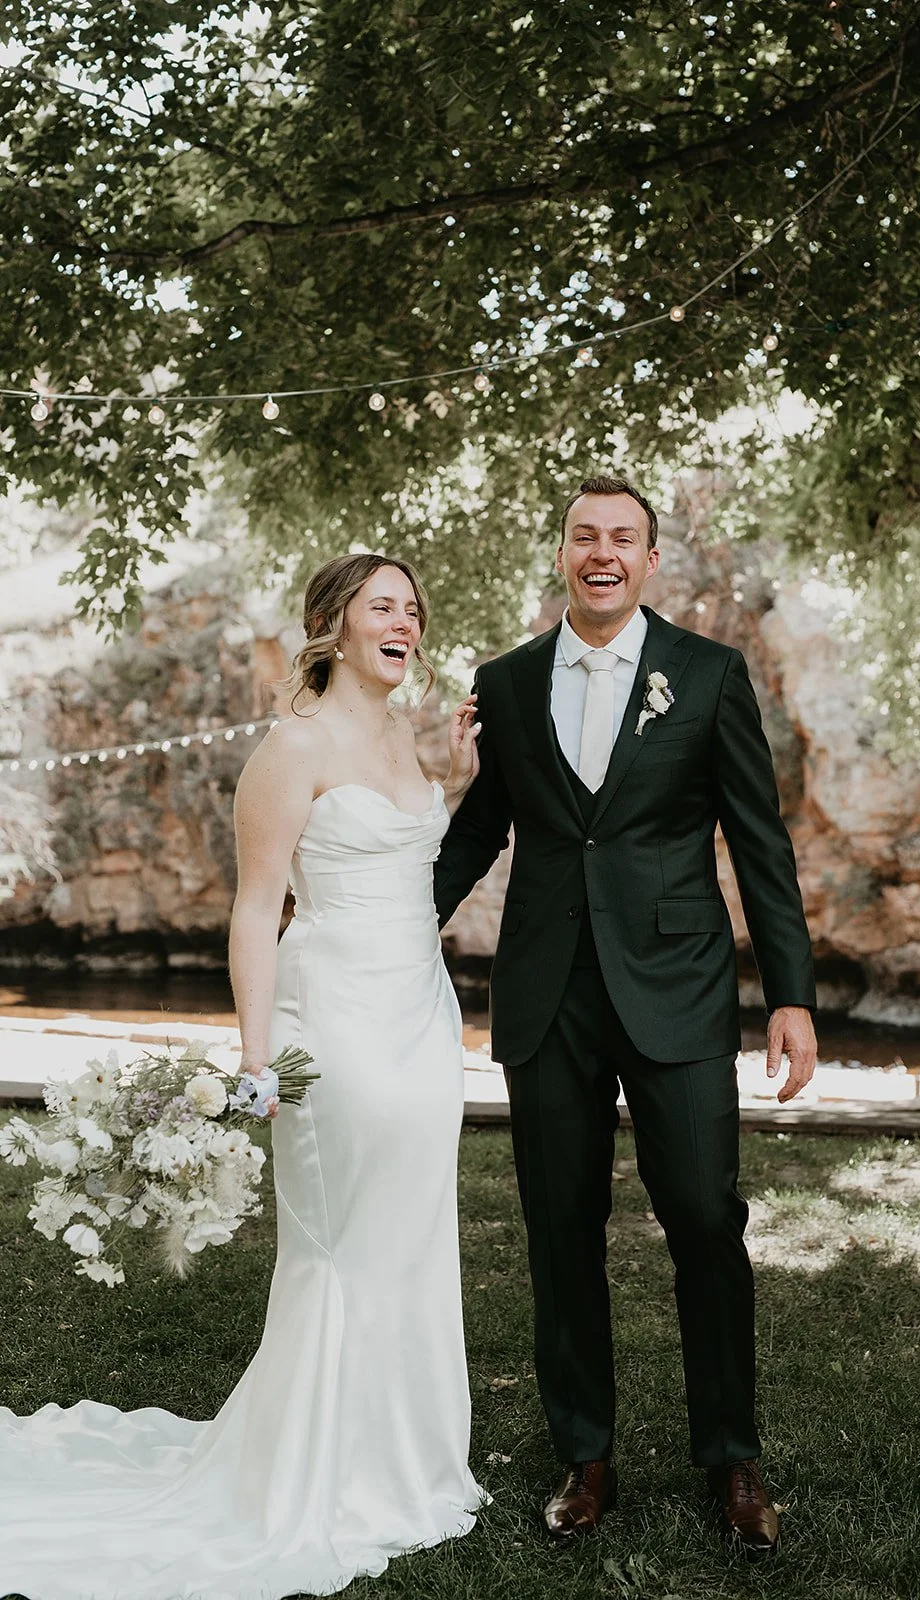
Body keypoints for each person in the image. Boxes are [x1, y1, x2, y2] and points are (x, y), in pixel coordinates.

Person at [0, 552, 485, 1600]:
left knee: (410, 1233)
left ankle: (406, 1458)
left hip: (421, 1014)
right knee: (342, 1242)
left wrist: (458, 774)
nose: (407, 621)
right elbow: (257, 909)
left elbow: (412, 862)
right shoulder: (288, 749)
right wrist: (256, 1054)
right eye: (384, 606)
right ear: (334, 625)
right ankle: (315, 1474)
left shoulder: (406, 735)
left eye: (415, 607)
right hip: (336, 1021)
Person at [434, 475, 818, 1559]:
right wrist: (390, 921)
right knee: (562, 1233)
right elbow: (482, 830)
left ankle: (732, 1458)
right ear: (562, 553)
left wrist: (790, 992)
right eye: (584, 536)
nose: (602, 553)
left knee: (705, 1216)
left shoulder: (706, 673)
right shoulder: (505, 684)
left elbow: (760, 840)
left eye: (623, 539)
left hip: (681, 987)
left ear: (653, 559)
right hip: (548, 990)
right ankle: (585, 1454)